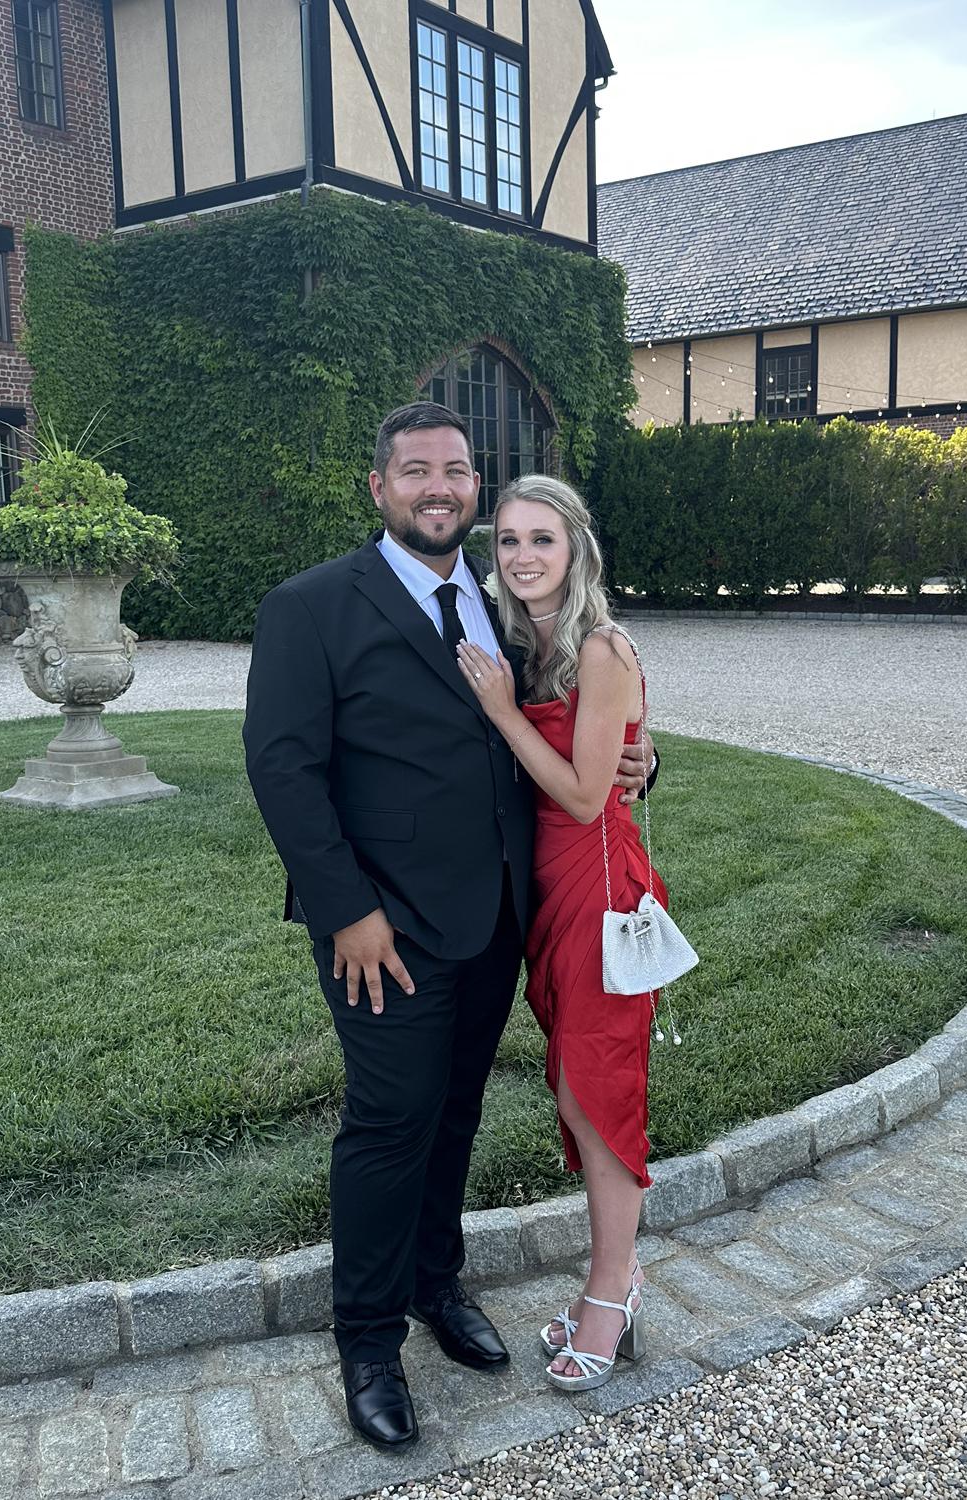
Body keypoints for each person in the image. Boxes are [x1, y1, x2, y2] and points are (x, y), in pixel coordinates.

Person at [243, 403, 654, 1449]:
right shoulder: (311, 606)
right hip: (383, 930)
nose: (440, 487)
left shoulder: (501, 598)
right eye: (417, 470)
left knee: (455, 1115)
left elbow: (569, 722)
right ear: (379, 487)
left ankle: (436, 1284)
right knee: (390, 1127)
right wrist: (347, 911)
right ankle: (368, 1341)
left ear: (475, 486)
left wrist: (641, 761)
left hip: (500, 916)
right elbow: (283, 771)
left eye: (457, 471)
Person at [454, 473, 670, 1393]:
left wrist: (504, 713)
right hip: (542, 895)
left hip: (597, 887)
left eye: (541, 538)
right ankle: (614, 1282)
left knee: (596, 1093)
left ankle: (611, 1294)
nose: (523, 556)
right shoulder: (518, 643)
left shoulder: (599, 647)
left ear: (575, 547)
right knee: (578, 1092)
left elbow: (585, 795)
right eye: (508, 540)